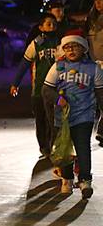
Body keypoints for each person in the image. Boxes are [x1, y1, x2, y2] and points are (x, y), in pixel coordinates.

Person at [42, 34, 103, 198]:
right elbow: (46, 90)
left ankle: (85, 181)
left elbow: (100, 93)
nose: (71, 50)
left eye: (75, 46)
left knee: (83, 147)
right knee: (65, 149)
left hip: (85, 115)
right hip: (62, 118)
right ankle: (67, 179)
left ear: (83, 48)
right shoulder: (57, 67)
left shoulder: (93, 68)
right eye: (67, 47)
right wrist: (58, 98)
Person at [10, 13, 60, 157]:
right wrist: (15, 84)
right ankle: (43, 146)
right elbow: (24, 64)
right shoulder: (36, 44)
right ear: (41, 27)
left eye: (54, 24)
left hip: (55, 89)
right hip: (38, 90)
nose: (52, 26)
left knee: (53, 119)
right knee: (40, 119)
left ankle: (52, 145)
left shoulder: (60, 42)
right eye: (48, 24)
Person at [84, 0, 103, 147]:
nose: (98, 3)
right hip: (92, 65)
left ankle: (102, 131)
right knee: (93, 100)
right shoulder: (90, 19)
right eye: (96, 0)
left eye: (101, 0)